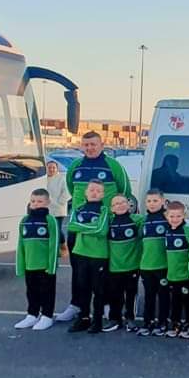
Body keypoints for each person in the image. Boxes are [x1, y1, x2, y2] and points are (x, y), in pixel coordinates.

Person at [56, 132, 131, 323]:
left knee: (103, 270)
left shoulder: (113, 166)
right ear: (82, 146)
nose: (89, 148)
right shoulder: (75, 166)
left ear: (102, 144)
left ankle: (105, 304)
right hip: (79, 229)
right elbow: (73, 189)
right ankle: (76, 305)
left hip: (102, 228)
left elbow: (124, 191)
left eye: (93, 144)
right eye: (86, 144)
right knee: (78, 271)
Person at [66, 179, 111, 334]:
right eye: (92, 190)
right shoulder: (77, 208)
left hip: (98, 255)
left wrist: (82, 227)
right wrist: (91, 227)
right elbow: (71, 226)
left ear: (103, 194)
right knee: (82, 288)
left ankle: (97, 321)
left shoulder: (104, 210)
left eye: (98, 191)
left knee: (98, 290)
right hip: (80, 253)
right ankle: (84, 319)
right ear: (86, 192)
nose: (94, 193)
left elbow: (101, 230)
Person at [13, 188, 60, 331]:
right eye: (33, 201)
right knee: (31, 291)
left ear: (47, 202)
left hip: (45, 266)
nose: (36, 204)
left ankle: (47, 316)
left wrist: (51, 266)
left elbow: (54, 243)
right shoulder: (25, 220)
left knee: (47, 291)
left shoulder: (49, 220)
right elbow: (20, 244)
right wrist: (20, 266)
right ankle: (32, 315)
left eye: (40, 201)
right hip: (30, 265)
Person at [106, 194, 142, 333]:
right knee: (114, 294)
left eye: (122, 202)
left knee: (131, 294)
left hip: (132, 266)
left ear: (129, 205)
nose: (120, 205)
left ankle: (130, 319)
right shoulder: (108, 221)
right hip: (114, 266)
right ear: (111, 209)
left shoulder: (137, 220)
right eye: (115, 204)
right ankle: (114, 319)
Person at [137, 188, 170, 337]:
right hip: (146, 266)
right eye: (149, 201)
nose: (152, 204)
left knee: (163, 296)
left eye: (155, 201)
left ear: (163, 201)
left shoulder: (167, 219)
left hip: (162, 266)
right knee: (149, 296)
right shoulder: (144, 221)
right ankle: (147, 322)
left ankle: (162, 322)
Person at [163, 201, 189, 339]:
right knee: (174, 302)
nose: (174, 219)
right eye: (172, 216)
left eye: (178, 216)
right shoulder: (167, 232)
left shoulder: (188, 231)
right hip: (172, 275)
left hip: (186, 276)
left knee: (188, 302)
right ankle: (175, 325)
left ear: (184, 216)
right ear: (166, 216)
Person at [45, 161, 69, 256]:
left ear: (57, 169)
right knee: (50, 230)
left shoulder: (61, 179)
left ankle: (62, 247)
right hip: (47, 209)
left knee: (57, 230)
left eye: (53, 167)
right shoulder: (44, 179)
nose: (51, 169)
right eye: (49, 167)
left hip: (59, 209)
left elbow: (67, 192)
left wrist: (60, 202)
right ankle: (56, 248)